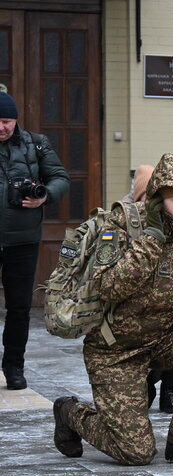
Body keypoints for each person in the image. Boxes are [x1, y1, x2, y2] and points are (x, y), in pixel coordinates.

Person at [52, 154, 173, 466]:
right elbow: (106, 287)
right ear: (159, 196)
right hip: (114, 349)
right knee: (134, 453)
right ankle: (70, 412)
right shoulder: (120, 225)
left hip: (160, 340)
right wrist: (151, 241)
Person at [0, 92, 70, 390]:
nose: (2, 127)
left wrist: (45, 196)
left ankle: (14, 367)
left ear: (16, 120)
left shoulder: (36, 144)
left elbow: (60, 178)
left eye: (6, 121)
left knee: (18, 308)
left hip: (23, 241)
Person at [122, 164, 173, 414]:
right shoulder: (124, 220)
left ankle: (169, 389)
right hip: (134, 311)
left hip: (168, 301)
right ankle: (146, 383)